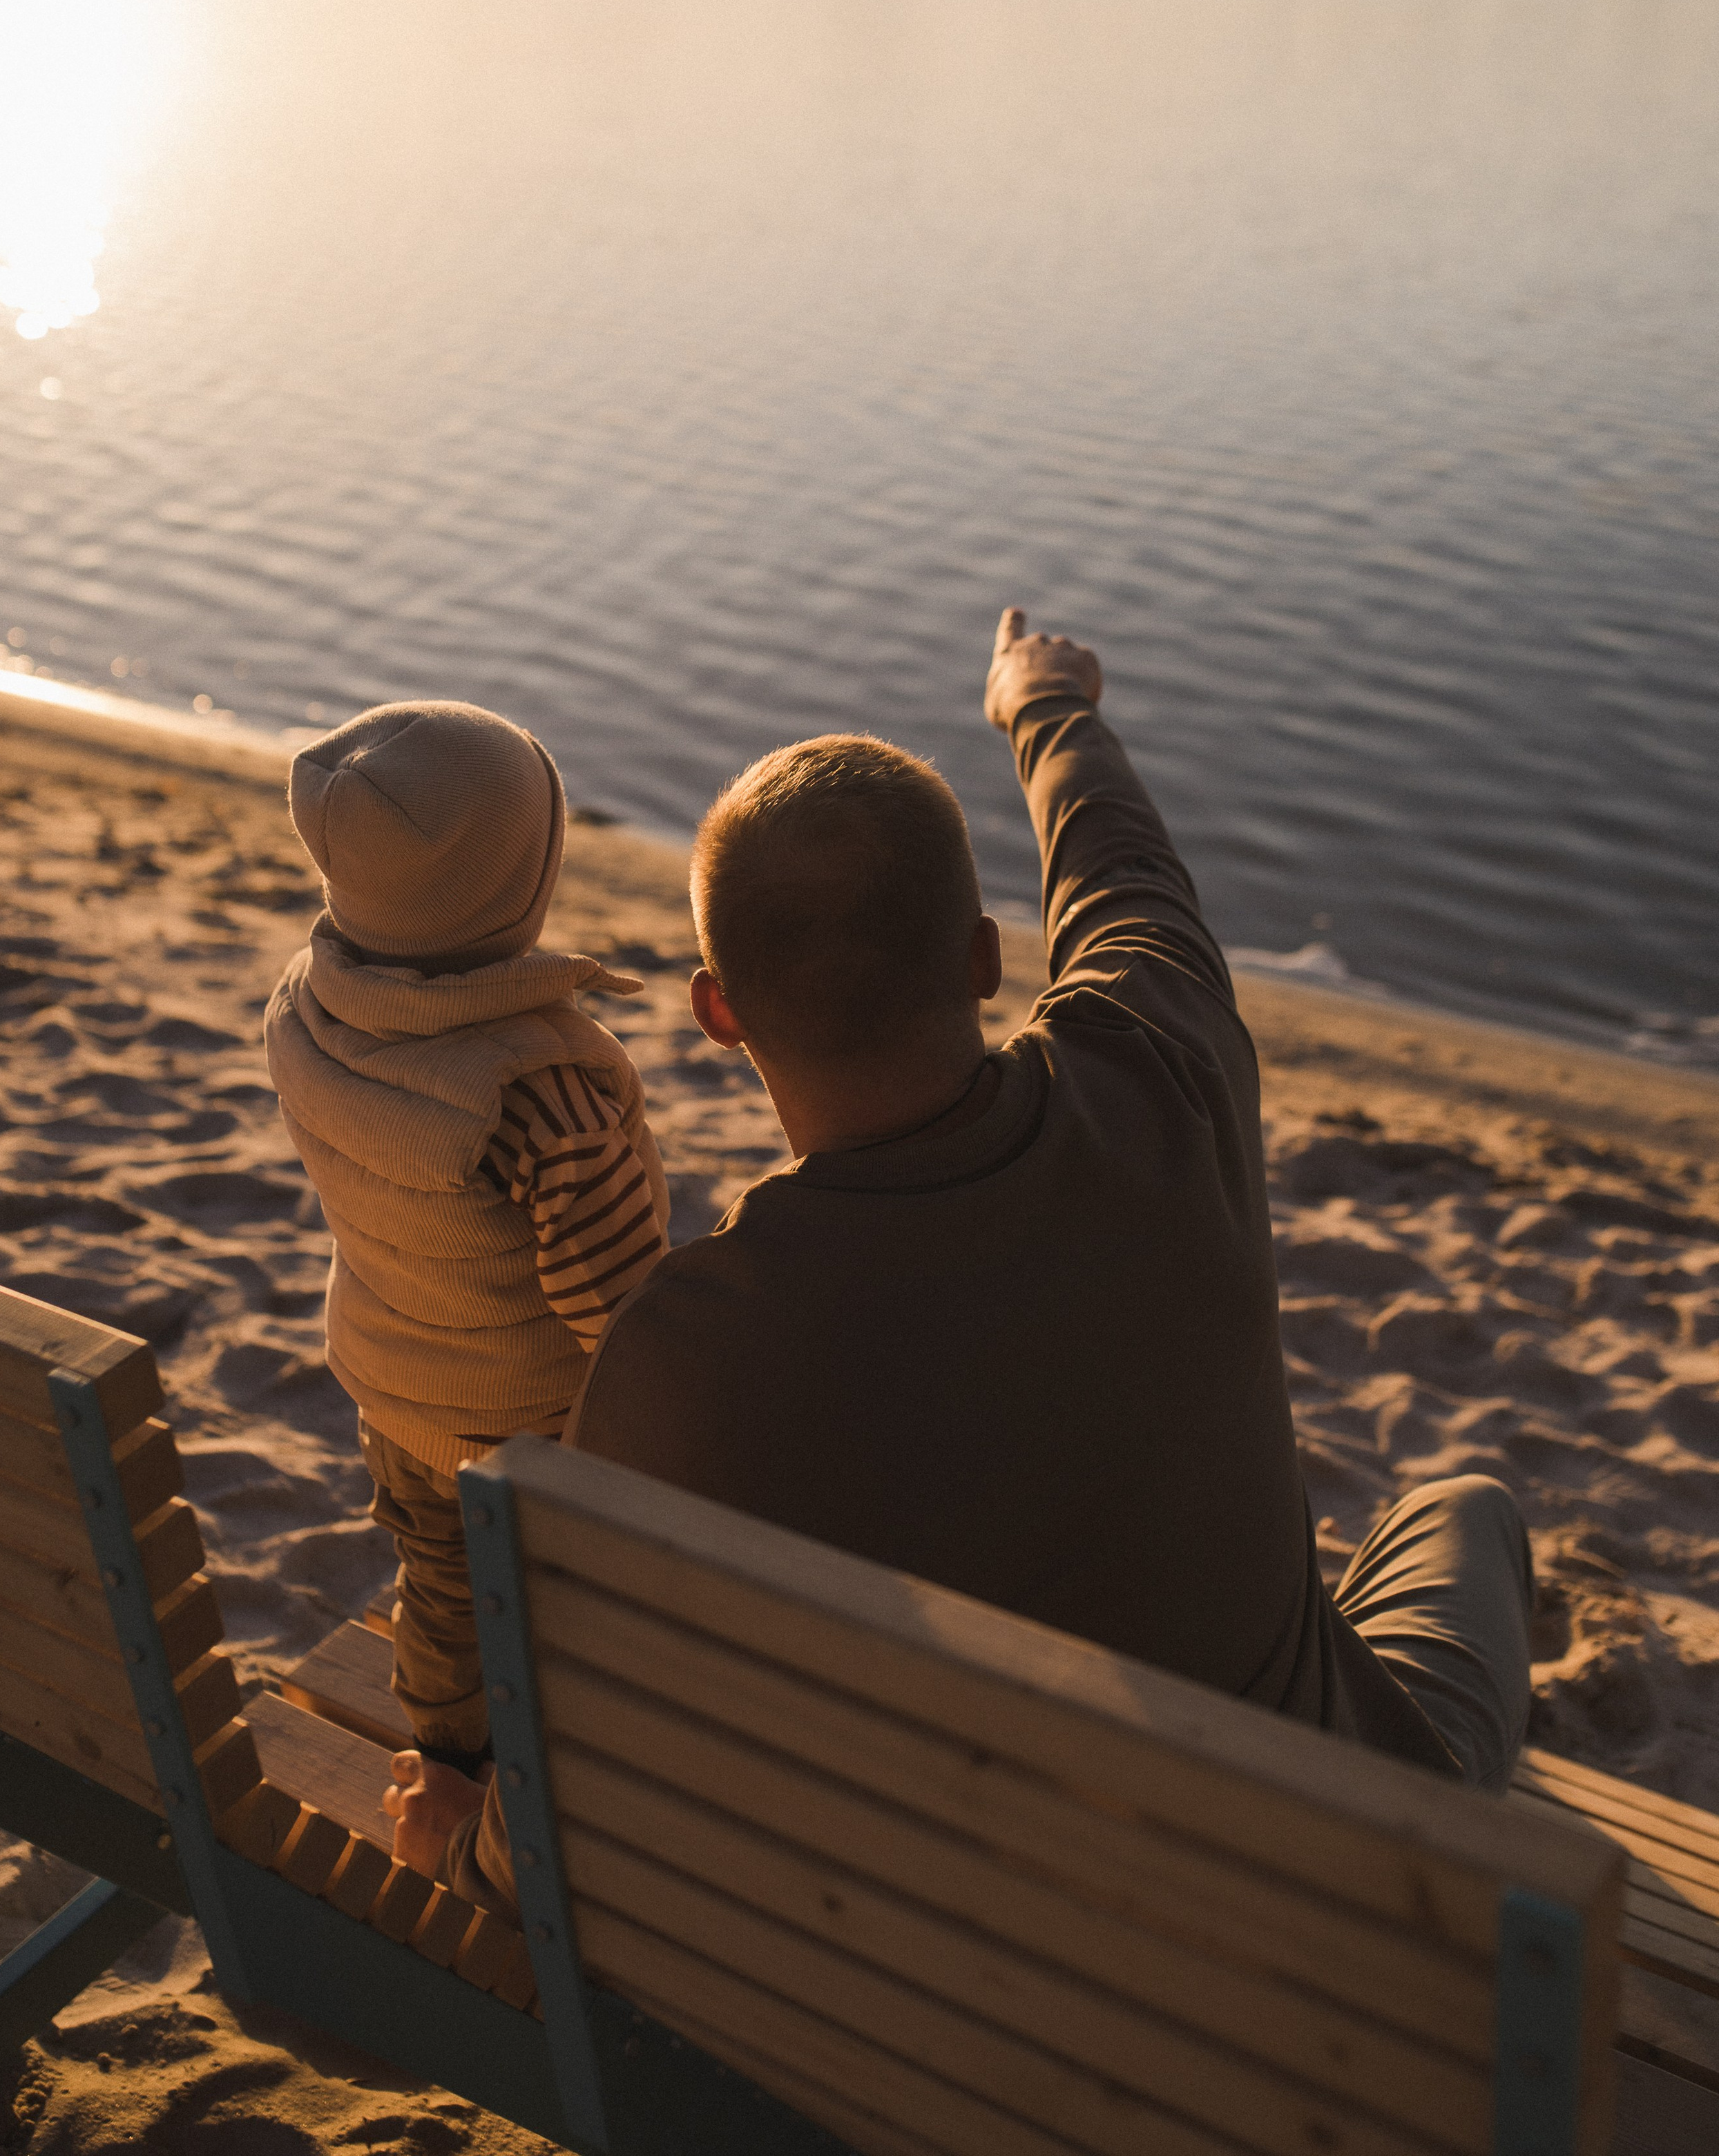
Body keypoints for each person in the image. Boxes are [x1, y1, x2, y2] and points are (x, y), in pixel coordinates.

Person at [385, 613, 1532, 1903]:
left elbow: (596, 1726)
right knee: (1463, 1508)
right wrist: (1045, 704)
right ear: (988, 960)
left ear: (718, 1012)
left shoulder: (681, 1350)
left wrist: (466, 1854)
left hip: (964, 1972)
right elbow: (1127, 873)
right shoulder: (1166, 1066)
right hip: (1331, 1893)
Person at [266, 700, 669, 1773]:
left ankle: (445, 1749)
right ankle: (545, 1788)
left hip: (392, 1379)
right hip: (526, 1427)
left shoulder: (308, 1008)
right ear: (518, 890)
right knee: (565, 1601)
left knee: (439, 1581)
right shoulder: (537, 1092)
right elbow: (621, 1311)